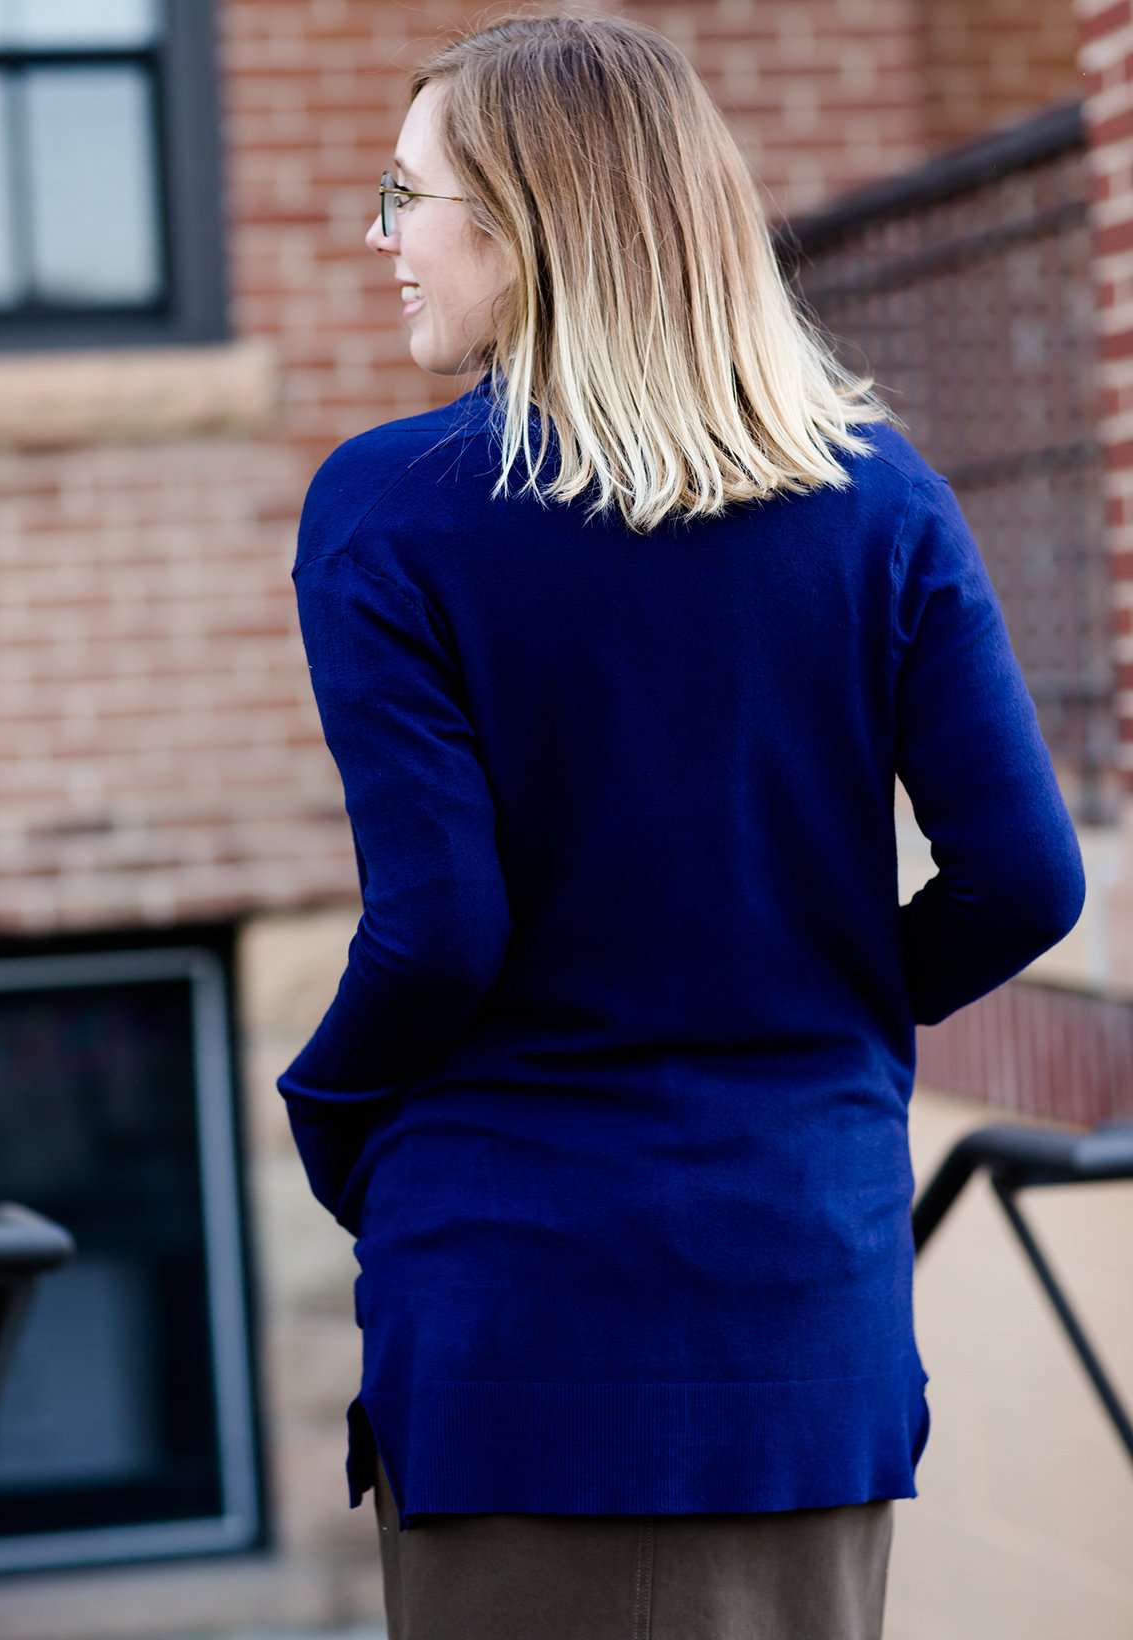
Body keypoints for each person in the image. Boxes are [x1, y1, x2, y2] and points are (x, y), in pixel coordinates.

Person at [276, 12, 1087, 1639]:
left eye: (406, 195)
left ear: (521, 219)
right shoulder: (883, 497)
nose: (381, 238)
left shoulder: (388, 510)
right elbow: (1023, 881)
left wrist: (331, 1103)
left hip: (516, 1311)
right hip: (804, 1301)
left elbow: (440, 928)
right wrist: (818, 1009)